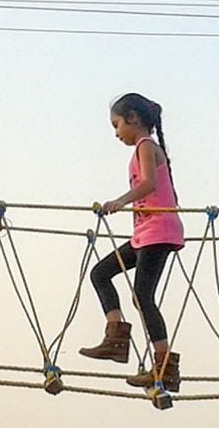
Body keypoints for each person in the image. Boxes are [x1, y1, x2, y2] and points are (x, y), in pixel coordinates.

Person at [79, 93, 184, 390]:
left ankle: (164, 367)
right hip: (145, 235)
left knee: (143, 296)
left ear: (133, 119)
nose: (116, 133)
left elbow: (150, 183)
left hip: (158, 233)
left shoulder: (146, 146)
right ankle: (115, 338)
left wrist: (120, 201)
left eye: (117, 125)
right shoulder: (143, 149)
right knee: (100, 273)